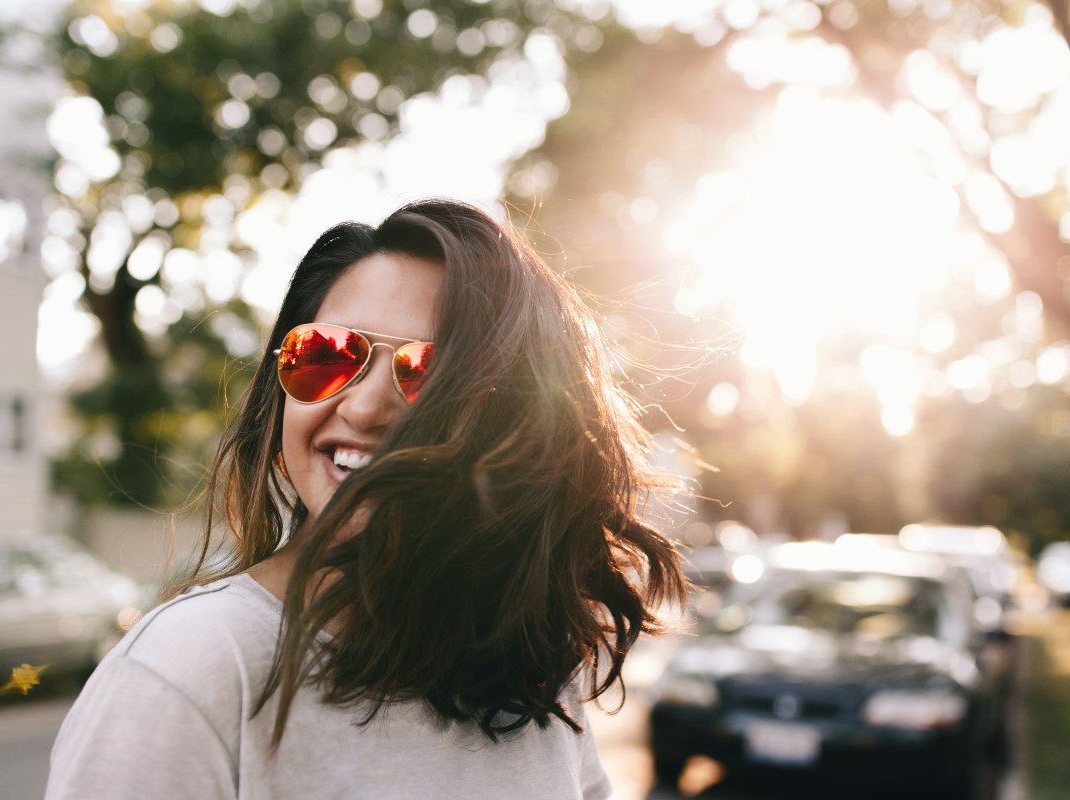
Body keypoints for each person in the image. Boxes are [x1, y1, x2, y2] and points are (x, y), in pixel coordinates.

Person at [46, 198, 687, 799]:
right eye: (325, 355)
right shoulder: (188, 667)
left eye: (430, 373)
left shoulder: (531, 671)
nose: (363, 405)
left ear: (521, 426)